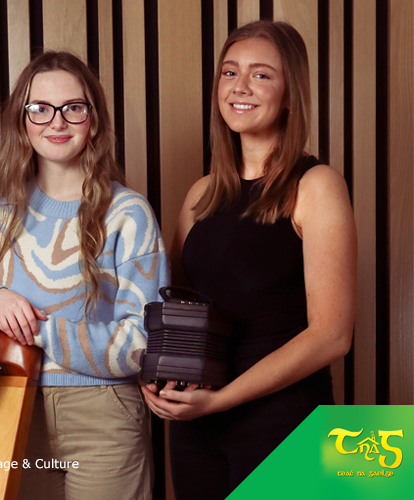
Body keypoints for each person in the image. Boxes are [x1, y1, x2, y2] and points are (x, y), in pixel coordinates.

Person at [142, 20, 357, 499]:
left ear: (289, 94)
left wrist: (219, 401)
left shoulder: (317, 185)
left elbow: (333, 336)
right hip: (197, 429)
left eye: (261, 75)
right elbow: (171, 311)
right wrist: (153, 380)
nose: (240, 87)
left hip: (287, 425)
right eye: (229, 72)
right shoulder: (202, 193)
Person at [0, 51, 169, 500]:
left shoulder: (129, 214)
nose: (58, 122)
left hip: (105, 419)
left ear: (94, 119)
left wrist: (35, 329)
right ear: (22, 121)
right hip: (12, 412)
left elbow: (142, 344)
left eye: (74, 107)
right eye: (40, 109)